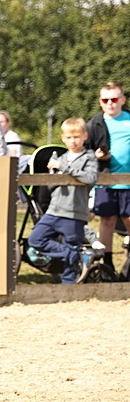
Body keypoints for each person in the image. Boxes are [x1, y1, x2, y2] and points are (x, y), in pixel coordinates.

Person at [25, 118, 99, 283]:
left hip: (74, 212)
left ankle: (69, 286)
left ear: (85, 136)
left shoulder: (89, 158)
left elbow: (90, 177)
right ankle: (73, 254)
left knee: (70, 256)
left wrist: (64, 169)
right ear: (63, 138)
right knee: (35, 239)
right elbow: (51, 187)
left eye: (76, 137)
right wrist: (55, 176)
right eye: (69, 137)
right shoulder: (62, 158)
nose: (73, 141)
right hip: (54, 210)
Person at [86, 81, 130, 262]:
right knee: (107, 220)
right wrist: (96, 156)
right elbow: (83, 150)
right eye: (105, 100)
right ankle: (107, 263)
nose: (110, 103)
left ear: (122, 100)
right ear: (100, 102)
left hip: (128, 180)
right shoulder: (94, 124)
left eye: (114, 99)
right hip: (104, 179)